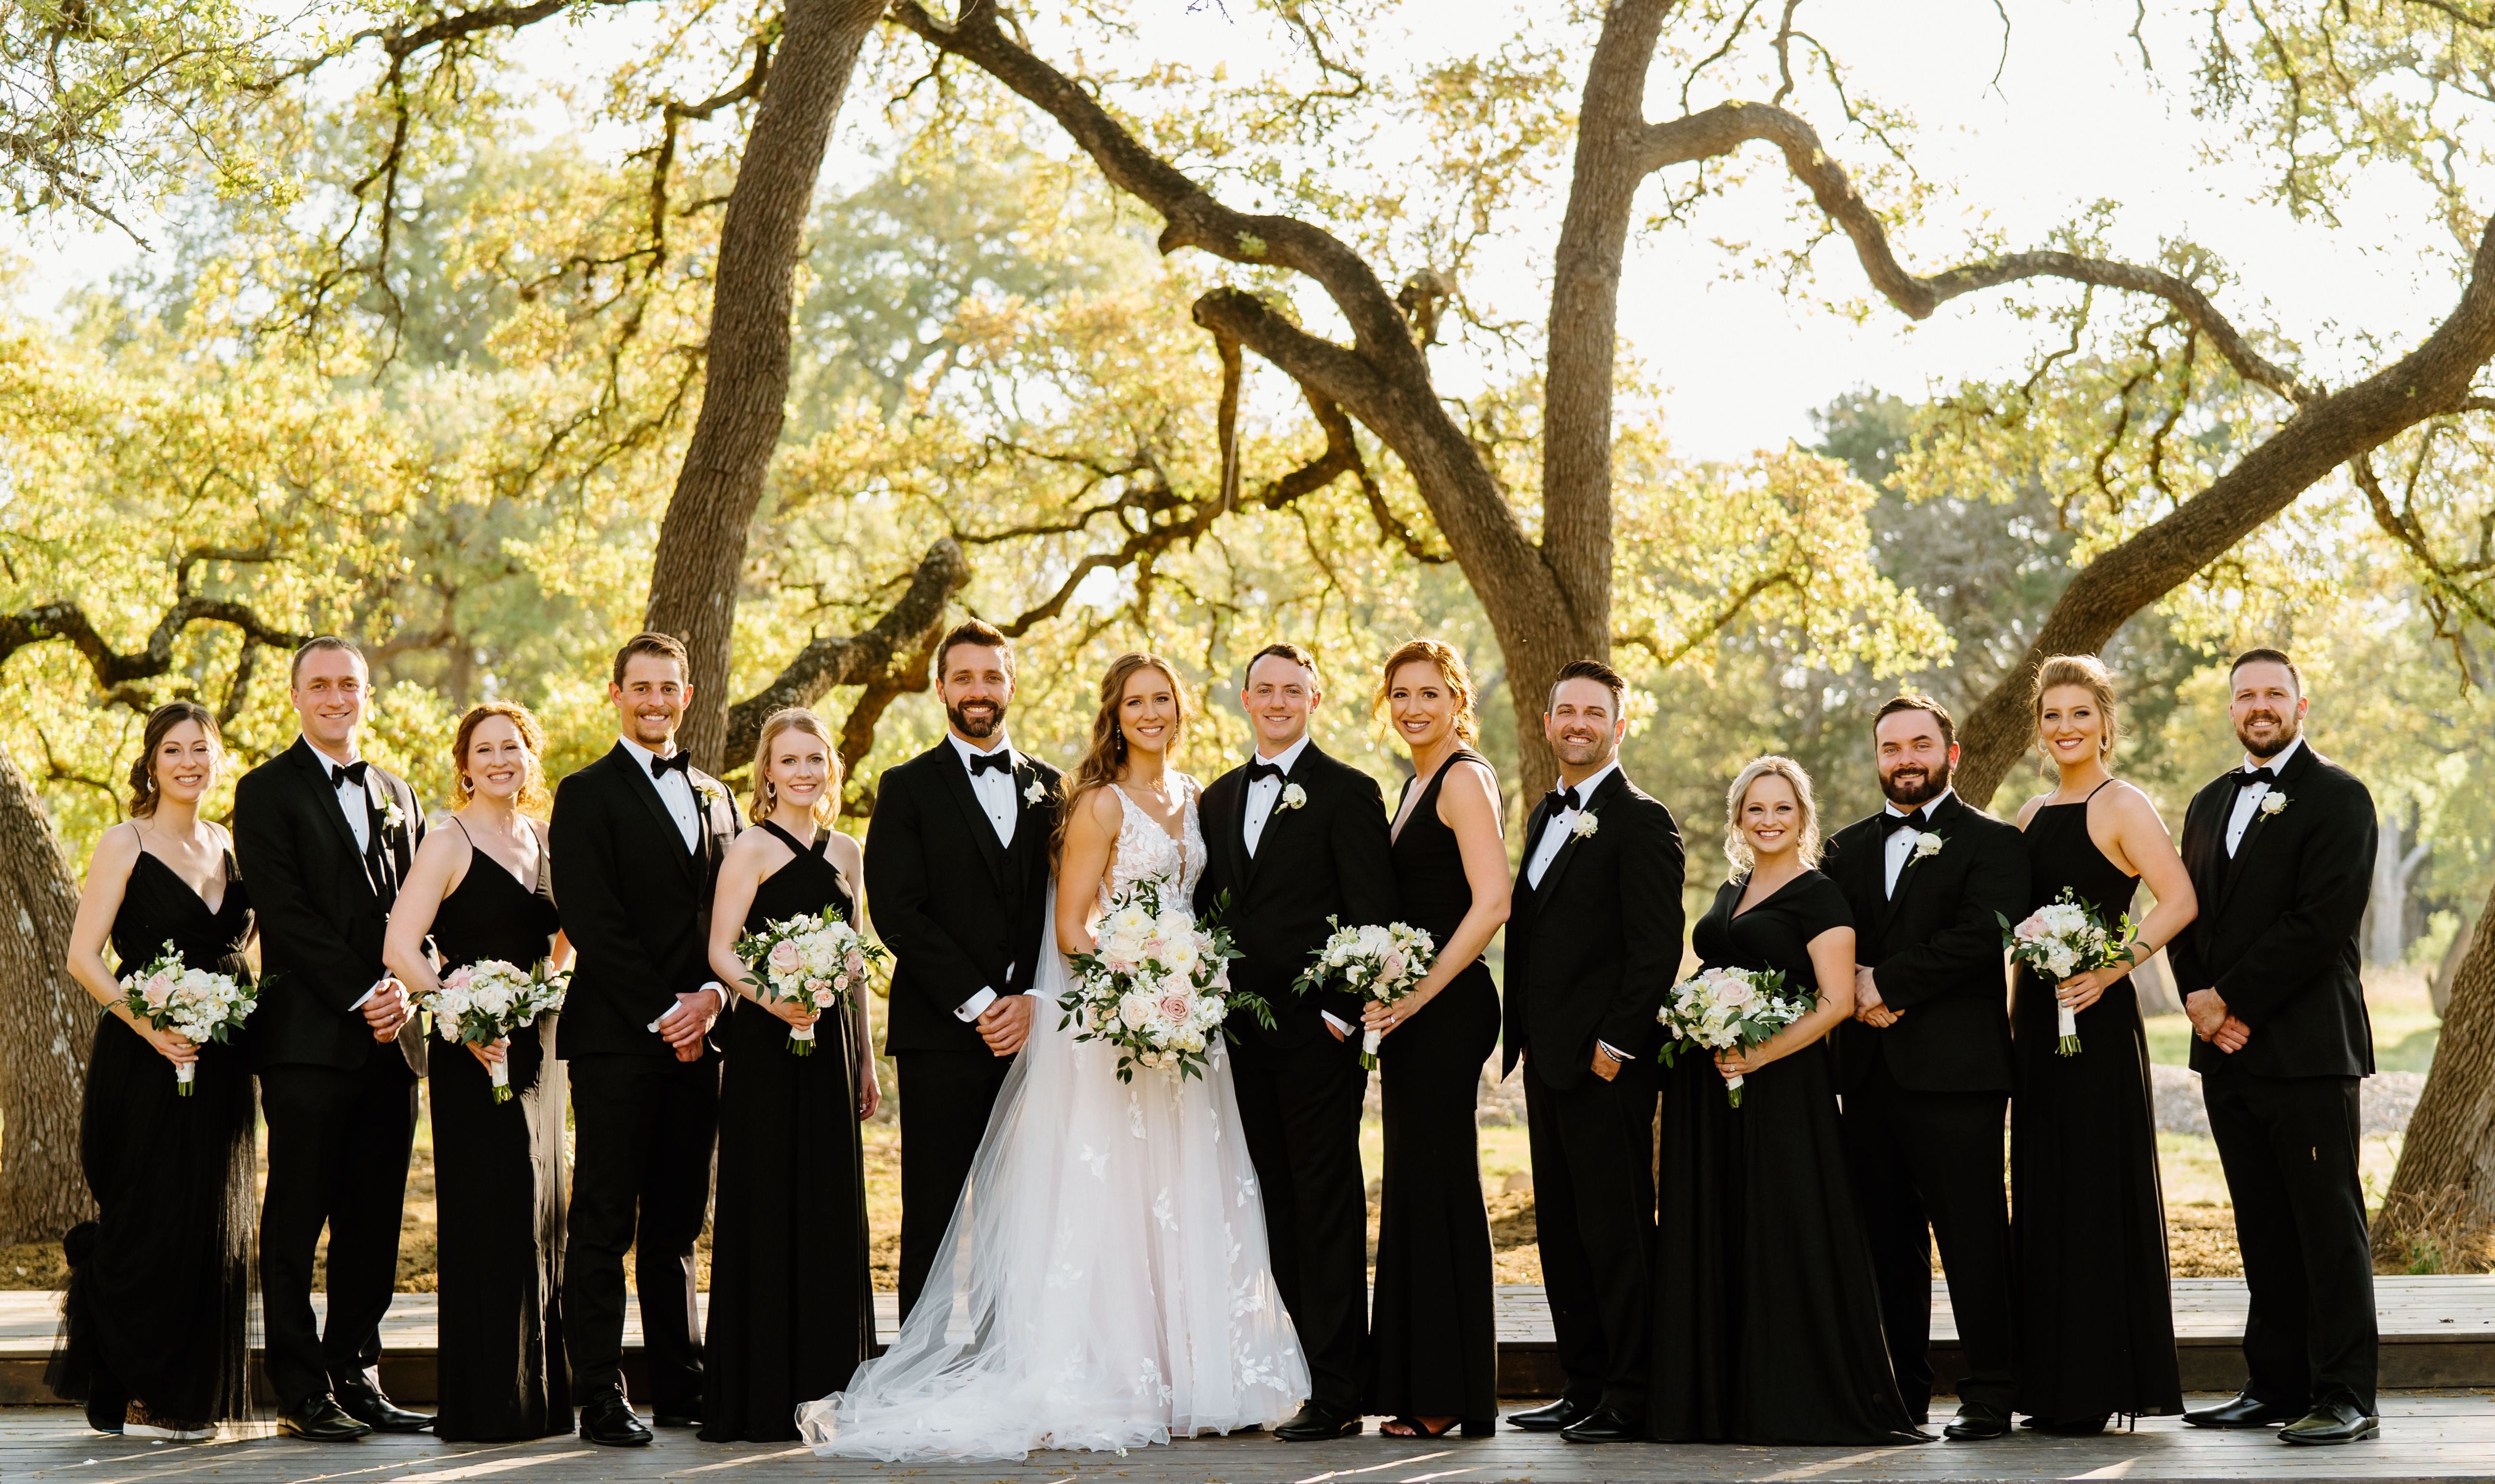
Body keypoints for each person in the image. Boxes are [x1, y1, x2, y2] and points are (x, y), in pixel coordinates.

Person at [800, 652, 1307, 1460]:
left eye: (1164, 701)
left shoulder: (1196, 796)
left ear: (1182, 711)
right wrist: (1139, 979)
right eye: (1136, 702)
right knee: (1102, 1195)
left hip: (1187, 1028)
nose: (1152, 714)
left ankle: (1194, 1374)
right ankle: (1107, 1373)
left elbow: (1202, 908)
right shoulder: (1097, 805)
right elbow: (1072, 929)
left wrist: (1189, 978)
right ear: (1116, 713)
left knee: (1183, 1189)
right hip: (1119, 1022)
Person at [1649, 757, 1926, 1447]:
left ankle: (1791, 1396)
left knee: (1781, 1229)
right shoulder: (1730, 888)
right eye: (1755, 809)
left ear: (1803, 817)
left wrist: (1761, 1053)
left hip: (1780, 1089)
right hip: (1710, 1090)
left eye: (1782, 809)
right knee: (1723, 1226)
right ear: (1738, 819)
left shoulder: (1821, 896)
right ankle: (1719, 1395)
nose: (1768, 820)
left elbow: (1836, 1003)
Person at [2170, 649, 2380, 1446]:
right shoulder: (2206, 801)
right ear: (2231, 710)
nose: (2260, 706)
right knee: (2260, 1224)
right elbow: (2186, 909)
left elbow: (2321, 924)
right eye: (2246, 695)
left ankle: (2346, 1394)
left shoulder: (2339, 798)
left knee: (2327, 1226)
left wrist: (2232, 997)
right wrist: (2200, 1002)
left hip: (2309, 1051)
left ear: (2301, 705)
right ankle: (2275, 1384)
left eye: (2274, 694)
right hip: (2225, 1053)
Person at [1195, 641, 1397, 1442]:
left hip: (1318, 1039)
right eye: (1265, 689)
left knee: (1326, 1209)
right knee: (1272, 1208)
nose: (1278, 701)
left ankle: (1343, 1391)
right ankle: (1307, 1376)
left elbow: (1372, 911)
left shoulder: (1349, 792)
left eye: (1294, 690)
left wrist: (1344, 1013)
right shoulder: (1214, 798)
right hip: (1238, 1040)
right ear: (1245, 700)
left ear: (1316, 699)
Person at [233, 636, 431, 1441]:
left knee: (373, 1220)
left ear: (369, 695)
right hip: (309, 1042)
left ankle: (356, 1372)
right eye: (320, 685)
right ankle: (299, 1387)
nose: (336, 697)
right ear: (296, 697)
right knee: (297, 1216)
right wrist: (364, 992)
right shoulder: (264, 790)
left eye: (350, 684)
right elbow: (284, 914)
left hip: (394, 1045)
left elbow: (423, 910)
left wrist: (408, 995)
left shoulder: (400, 791)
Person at [550, 631, 741, 1447]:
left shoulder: (720, 795)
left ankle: (681, 1385)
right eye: (642, 688)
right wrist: (669, 1013)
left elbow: (731, 918)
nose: (656, 701)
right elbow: (593, 919)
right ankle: (598, 1392)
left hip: (704, 1034)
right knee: (602, 1218)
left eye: (670, 688)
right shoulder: (584, 792)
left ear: (688, 696)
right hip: (618, 1039)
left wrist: (711, 1001)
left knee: (675, 1224)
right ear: (616, 694)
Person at [1823, 693, 2027, 1441]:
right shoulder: (1841, 849)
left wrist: (1885, 984)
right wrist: (1855, 989)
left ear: (1952, 754)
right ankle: (1899, 1395)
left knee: (1974, 1238)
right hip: (1868, 1075)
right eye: (1890, 748)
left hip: (1960, 1078)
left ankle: (1991, 1391)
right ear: (1877, 758)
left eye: (1919, 744)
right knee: (1886, 1246)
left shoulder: (1995, 843)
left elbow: (1984, 935)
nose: (1905, 758)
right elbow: (1827, 940)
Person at [52, 702, 258, 1441]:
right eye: (174, 751)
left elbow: (248, 956)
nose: (189, 762)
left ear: (218, 757)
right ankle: (128, 1382)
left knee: (209, 1225)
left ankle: (186, 1390)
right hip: (143, 1060)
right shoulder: (124, 841)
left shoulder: (230, 845)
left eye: (201, 749)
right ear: (152, 763)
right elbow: (84, 959)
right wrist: (154, 1029)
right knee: (149, 1219)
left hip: (224, 1062)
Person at [2008, 656, 2197, 1433]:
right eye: (2052, 715)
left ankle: (2099, 1382)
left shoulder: (2123, 804)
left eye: (2079, 714)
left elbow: (2179, 897)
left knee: (2093, 1189)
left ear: (2105, 724)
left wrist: (2119, 965)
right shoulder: (2026, 814)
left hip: (2098, 1026)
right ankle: (2048, 1385)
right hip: (2035, 1028)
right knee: (2044, 1191)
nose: (2064, 728)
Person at [1499, 659, 1685, 1446]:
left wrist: (1614, 1046)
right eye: (1565, 711)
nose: (1577, 724)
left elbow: (1655, 949)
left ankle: (1631, 1392)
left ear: (1620, 723)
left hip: (1604, 1067)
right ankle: (1581, 1383)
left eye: (1593, 712)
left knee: (1615, 1233)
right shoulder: (1546, 815)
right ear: (1548, 724)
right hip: (1548, 1063)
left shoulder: (1642, 819)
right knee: (1565, 1232)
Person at [382, 702, 571, 1442]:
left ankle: (540, 1398)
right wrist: (460, 1017)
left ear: (531, 757)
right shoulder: (448, 839)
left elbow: (565, 938)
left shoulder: (548, 839)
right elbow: (402, 947)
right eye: (485, 750)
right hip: (474, 1054)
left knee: (542, 1212)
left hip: (537, 1048)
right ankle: (487, 1403)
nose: (500, 760)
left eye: (513, 747)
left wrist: (543, 991)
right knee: (491, 1214)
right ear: (465, 764)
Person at [864, 619, 1063, 1318]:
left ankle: (1007, 1362)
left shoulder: (1055, 787)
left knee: (1023, 1212)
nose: (979, 691)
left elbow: (1066, 908)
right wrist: (982, 1002)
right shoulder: (906, 786)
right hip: (940, 1037)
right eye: (965, 678)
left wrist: (1036, 997)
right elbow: (898, 910)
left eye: (992, 676)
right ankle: (920, 1379)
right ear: (941, 686)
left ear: (1010, 684)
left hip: (1035, 1036)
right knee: (935, 1216)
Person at [700, 708, 881, 1442]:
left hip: (831, 1044)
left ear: (831, 770)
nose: (805, 772)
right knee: (769, 1198)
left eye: (817, 760)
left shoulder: (849, 851)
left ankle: (831, 1385)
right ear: (767, 772)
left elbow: (856, 962)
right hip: (767, 1049)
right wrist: (777, 1000)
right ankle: (761, 1391)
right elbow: (721, 951)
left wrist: (865, 1057)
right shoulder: (749, 848)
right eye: (790, 760)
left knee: (829, 1203)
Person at [1361, 640, 1508, 1440]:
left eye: (1430, 693)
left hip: (1447, 1010)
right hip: (1415, 1014)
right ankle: (1428, 1384)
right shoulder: (1414, 783)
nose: (1414, 707)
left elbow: (1492, 904)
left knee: (1440, 1183)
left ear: (1457, 699)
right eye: (1401, 694)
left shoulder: (1464, 777)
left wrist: (1416, 996)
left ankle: (1449, 1394)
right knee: (1417, 1184)